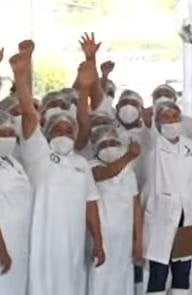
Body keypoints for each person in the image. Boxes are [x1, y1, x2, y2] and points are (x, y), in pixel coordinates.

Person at [10, 50, 106, 295]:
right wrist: (21, 77)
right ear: (48, 132)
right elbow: (30, 116)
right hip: (42, 247)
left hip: (73, 247)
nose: (63, 132)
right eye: (58, 129)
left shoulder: (81, 164)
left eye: (68, 130)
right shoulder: (38, 153)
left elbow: (91, 204)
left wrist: (98, 241)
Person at [142, 101, 192, 295]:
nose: (172, 122)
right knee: (158, 272)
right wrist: (147, 122)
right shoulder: (154, 145)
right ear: (158, 122)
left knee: (182, 271)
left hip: (187, 215)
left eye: (175, 117)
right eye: (166, 117)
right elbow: (149, 133)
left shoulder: (191, 147)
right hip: (160, 216)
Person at [88, 124, 143, 295]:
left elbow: (135, 207)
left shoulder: (128, 171)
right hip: (101, 238)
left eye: (112, 142)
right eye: (103, 145)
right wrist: (129, 155)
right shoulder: (90, 167)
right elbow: (107, 173)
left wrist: (138, 241)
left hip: (124, 239)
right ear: (95, 149)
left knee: (122, 281)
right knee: (100, 280)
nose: (109, 147)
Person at [0, 110, 33, 295]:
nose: (7, 138)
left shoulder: (13, 162)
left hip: (18, 241)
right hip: (3, 243)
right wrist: (2, 249)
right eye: (1, 134)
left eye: (10, 134)